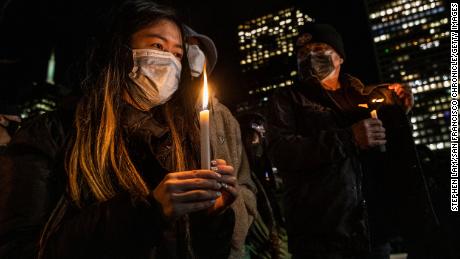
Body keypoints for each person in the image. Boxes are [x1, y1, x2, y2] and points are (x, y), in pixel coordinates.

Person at [0, 1, 240, 258]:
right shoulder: (52, 134)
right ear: (120, 50)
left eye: (178, 54)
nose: (169, 61)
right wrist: (148, 212)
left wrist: (212, 217)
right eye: (157, 46)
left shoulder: (179, 140)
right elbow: (19, 249)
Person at [267, 23, 437, 259]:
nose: (309, 55)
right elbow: (281, 151)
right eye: (302, 52)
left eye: (318, 47)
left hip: (373, 233)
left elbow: (389, 154)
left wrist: (399, 111)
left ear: (340, 57)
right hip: (321, 238)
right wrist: (348, 138)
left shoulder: (364, 96)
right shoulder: (286, 99)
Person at [183, 26, 257, 259]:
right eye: (187, 45)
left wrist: (237, 216)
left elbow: (245, 182)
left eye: (198, 47)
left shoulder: (224, 116)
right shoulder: (161, 112)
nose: (193, 52)